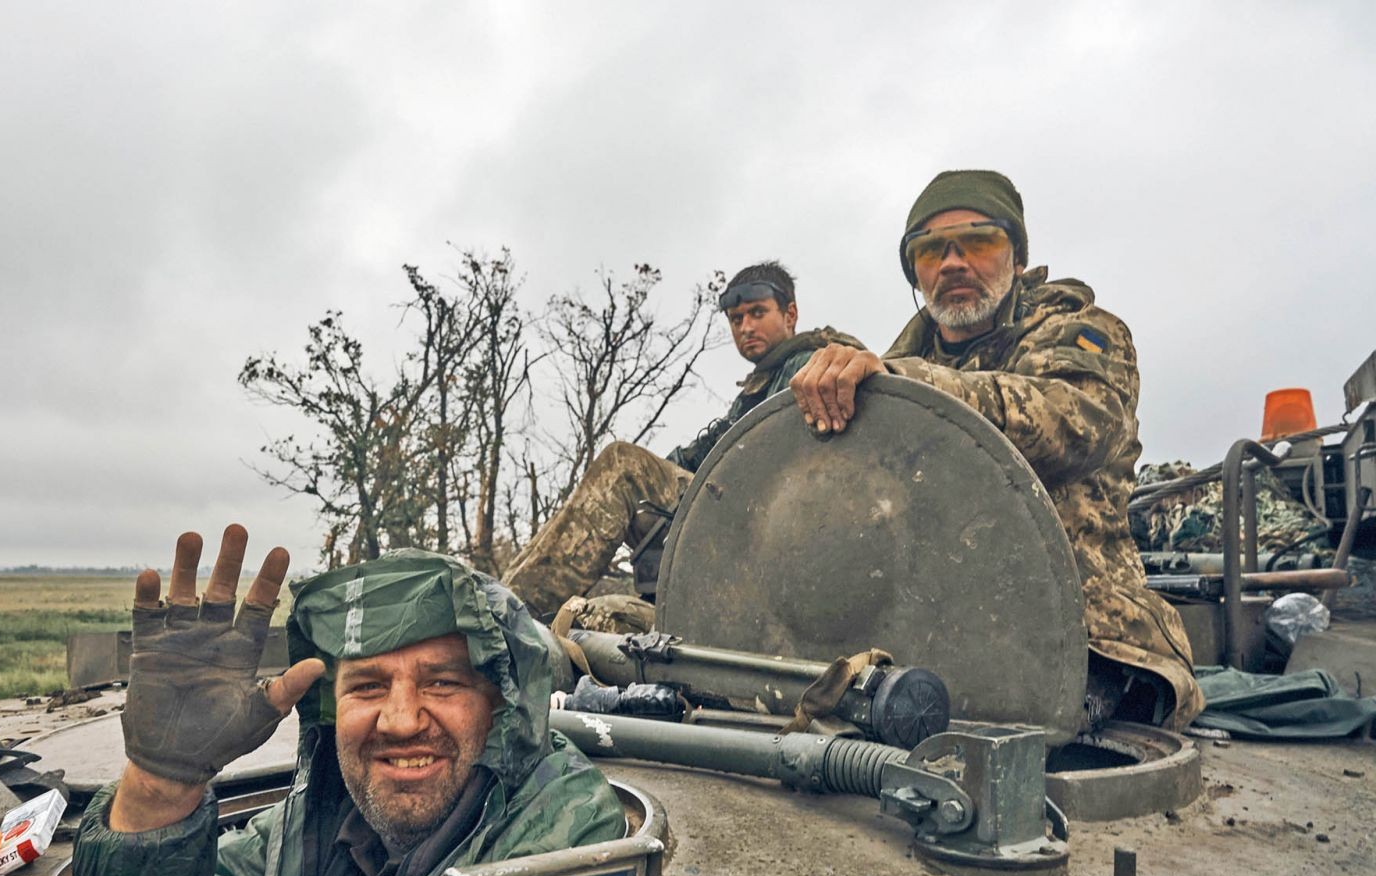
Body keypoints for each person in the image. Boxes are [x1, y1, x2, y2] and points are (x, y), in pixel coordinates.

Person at [786, 169, 1204, 730]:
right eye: (930, 250)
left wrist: (909, 387)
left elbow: (1076, 423)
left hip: (1079, 626)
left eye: (978, 241)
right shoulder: (895, 368)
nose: (953, 262)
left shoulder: (1080, 332)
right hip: (924, 621)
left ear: (1019, 258)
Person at [73, 524, 627, 876]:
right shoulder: (300, 833)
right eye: (367, 686)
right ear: (330, 711)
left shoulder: (559, 826)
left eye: (442, 684)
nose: (402, 720)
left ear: (500, 709)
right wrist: (159, 785)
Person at [502, 261, 864, 617]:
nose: (746, 327)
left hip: (772, 529)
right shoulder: (758, 388)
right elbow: (694, 457)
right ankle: (505, 594)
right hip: (739, 518)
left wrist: (637, 478)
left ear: (790, 314)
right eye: (737, 319)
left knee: (623, 467)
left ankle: (510, 616)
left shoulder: (810, 367)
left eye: (757, 313)